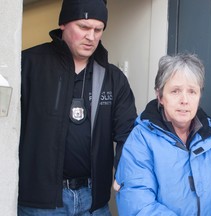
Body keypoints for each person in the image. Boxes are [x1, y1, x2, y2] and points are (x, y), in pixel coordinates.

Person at [18, 0, 137, 215]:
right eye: (84, 27)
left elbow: (128, 134)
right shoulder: (28, 65)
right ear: (63, 24)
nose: (91, 37)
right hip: (40, 203)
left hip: (94, 201)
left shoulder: (113, 78)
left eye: (98, 29)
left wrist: (125, 173)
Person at [114, 53, 211, 216]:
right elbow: (138, 205)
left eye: (192, 91)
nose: (185, 100)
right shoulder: (141, 140)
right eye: (175, 91)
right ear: (160, 96)